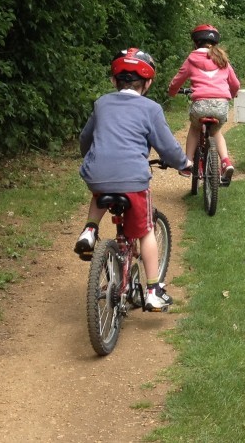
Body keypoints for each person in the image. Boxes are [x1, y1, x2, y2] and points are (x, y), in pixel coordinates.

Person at [74, 48, 191, 312]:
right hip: (132, 179)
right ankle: (153, 290)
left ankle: (90, 230)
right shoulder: (151, 108)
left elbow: (85, 138)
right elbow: (168, 148)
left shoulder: (102, 103)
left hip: (98, 174)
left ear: (114, 81)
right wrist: (184, 163)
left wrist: (92, 156)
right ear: (147, 84)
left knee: (101, 188)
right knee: (146, 229)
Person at [168, 24, 241, 185]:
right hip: (221, 106)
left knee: (194, 128)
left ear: (195, 43)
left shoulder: (192, 58)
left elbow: (178, 80)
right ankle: (226, 162)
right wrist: (234, 93)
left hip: (200, 105)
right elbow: (235, 83)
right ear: (215, 44)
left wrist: (172, 91)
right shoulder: (222, 60)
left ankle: (188, 163)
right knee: (216, 133)